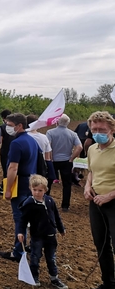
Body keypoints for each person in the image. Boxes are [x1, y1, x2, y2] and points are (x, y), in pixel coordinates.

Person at [0, 113, 38, 262]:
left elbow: (13, 168)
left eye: (9, 124)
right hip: (31, 183)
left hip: (20, 185)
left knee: (20, 219)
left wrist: (8, 189)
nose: (7, 127)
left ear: (19, 125)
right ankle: (29, 246)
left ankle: (18, 251)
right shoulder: (32, 141)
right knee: (28, 218)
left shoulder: (16, 143)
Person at [17, 175, 68, 288]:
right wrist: (20, 232)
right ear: (30, 189)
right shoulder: (29, 203)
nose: (37, 193)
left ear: (45, 190)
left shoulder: (50, 201)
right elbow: (23, 220)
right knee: (35, 257)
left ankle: (54, 278)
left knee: (51, 258)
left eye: (40, 190)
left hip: (51, 235)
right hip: (37, 236)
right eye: (34, 190)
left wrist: (61, 228)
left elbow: (56, 216)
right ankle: (34, 276)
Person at [84, 111, 115, 289]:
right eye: (94, 129)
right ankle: (108, 282)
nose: (97, 132)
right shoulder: (92, 149)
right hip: (96, 202)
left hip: (113, 202)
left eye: (102, 129)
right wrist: (88, 187)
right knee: (101, 242)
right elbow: (92, 172)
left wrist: (109, 195)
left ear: (112, 129)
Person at [46, 114, 83, 211]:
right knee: (66, 184)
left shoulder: (50, 132)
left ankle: (45, 202)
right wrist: (71, 158)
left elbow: (48, 146)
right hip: (67, 161)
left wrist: (50, 158)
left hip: (53, 161)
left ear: (57, 122)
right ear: (68, 123)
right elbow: (79, 147)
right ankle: (65, 206)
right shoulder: (73, 134)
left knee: (48, 182)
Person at [0, 109, 14, 192]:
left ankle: (5, 187)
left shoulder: (2, 127)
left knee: (6, 170)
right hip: (14, 150)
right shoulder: (16, 126)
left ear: (3, 118)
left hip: (5, 151)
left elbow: (0, 141)